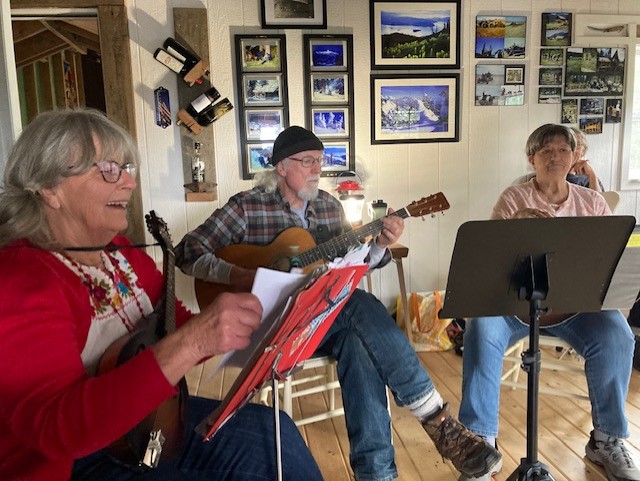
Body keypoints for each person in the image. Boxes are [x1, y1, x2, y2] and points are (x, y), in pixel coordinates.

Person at [0, 108, 323, 481]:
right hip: (76, 460)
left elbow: (180, 325)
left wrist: (259, 323)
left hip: (153, 421)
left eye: (128, 169)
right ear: (49, 188)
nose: (129, 183)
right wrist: (193, 341)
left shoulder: (122, 254)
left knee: (274, 432)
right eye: (109, 169)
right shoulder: (20, 281)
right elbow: (59, 430)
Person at [174, 125, 501, 481]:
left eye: (320, 160)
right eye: (308, 161)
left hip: (319, 322)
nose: (318, 169)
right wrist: (240, 275)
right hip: (267, 325)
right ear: (281, 167)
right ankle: (435, 418)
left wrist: (380, 245)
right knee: (357, 304)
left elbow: (351, 264)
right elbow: (187, 251)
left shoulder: (329, 207)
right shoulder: (247, 206)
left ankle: (377, 475)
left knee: (356, 337)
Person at [458, 124, 640, 481]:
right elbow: (490, 258)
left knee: (618, 335)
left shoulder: (592, 202)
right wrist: (514, 226)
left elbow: (609, 259)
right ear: (532, 159)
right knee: (480, 329)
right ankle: (480, 444)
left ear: (574, 157)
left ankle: (607, 440)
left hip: (577, 307)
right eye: (546, 151)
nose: (555, 157)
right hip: (515, 308)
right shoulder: (513, 198)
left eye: (563, 151)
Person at [567, 126, 604, 192]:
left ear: (583, 151)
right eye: (567, 145)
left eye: (577, 145)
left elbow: (599, 198)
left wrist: (591, 174)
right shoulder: (551, 173)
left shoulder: (589, 178)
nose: (572, 150)